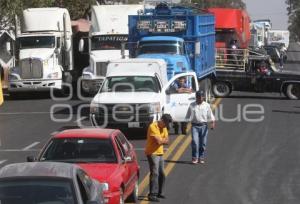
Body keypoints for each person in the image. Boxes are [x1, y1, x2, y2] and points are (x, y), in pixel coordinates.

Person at [145, 114, 172, 202]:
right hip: (152, 153)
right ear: (162, 120)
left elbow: (167, 141)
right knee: (155, 173)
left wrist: (162, 141)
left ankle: (160, 192)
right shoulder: (153, 126)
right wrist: (162, 140)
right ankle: (152, 194)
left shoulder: (164, 128)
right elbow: (158, 141)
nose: (165, 126)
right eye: (165, 124)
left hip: (160, 153)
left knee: (162, 173)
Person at [186, 91, 215, 164]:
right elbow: (188, 116)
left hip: (204, 126)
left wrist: (212, 123)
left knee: (203, 143)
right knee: (195, 142)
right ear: (196, 97)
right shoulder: (192, 105)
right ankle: (194, 157)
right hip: (194, 126)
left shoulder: (206, 105)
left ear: (203, 97)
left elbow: (210, 115)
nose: (200, 98)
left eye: (201, 97)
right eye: (198, 97)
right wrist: (185, 126)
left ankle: (201, 157)